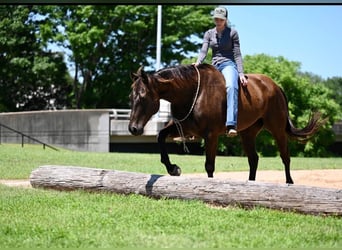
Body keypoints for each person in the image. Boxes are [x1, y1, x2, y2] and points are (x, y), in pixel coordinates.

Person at [194, 6, 248, 137]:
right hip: (213, 66)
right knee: (196, 85)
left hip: (228, 64)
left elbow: (237, 55)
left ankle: (231, 124)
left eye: (221, 19)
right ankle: (194, 125)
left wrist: (241, 73)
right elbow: (204, 50)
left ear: (225, 20)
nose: (218, 21)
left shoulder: (233, 33)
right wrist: (198, 63)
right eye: (216, 19)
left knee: (230, 86)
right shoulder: (208, 33)